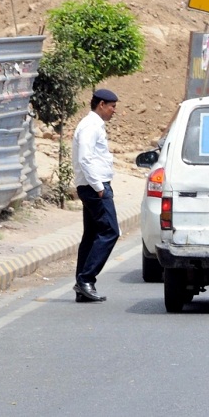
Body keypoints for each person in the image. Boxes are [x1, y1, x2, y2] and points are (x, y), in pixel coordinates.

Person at [71, 88, 121, 303]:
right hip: (94, 187)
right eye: (112, 107)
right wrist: (99, 187)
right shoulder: (91, 126)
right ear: (101, 104)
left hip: (93, 186)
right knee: (110, 231)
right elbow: (85, 158)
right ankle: (86, 279)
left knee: (92, 235)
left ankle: (83, 285)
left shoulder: (93, 125)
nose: (113, 111)